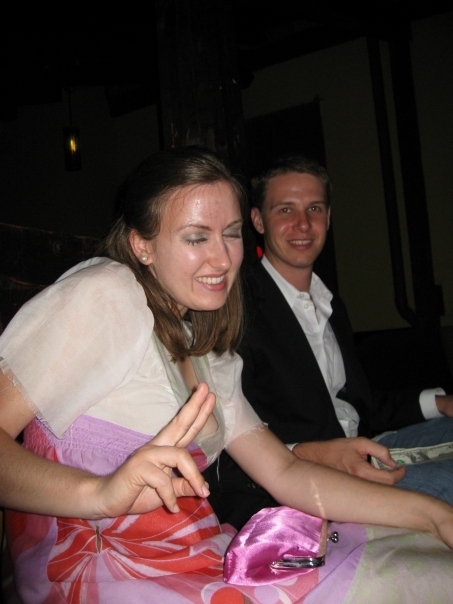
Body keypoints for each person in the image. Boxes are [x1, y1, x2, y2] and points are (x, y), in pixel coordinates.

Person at [1, 147, 453, 604]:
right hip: (100, 572)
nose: (222, 259)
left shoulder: (205, 348)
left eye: (231, 234)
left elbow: (285, 471)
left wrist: (434, 515)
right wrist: (101, 493)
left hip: (200, 556)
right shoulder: (106, 295)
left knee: (423, 560)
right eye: (197, 237)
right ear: (142, 244)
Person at [204, 153, 453, 530]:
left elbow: (358, 405)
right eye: (285, 209)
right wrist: (317, 455)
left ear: (329, 217)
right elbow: (221, 449)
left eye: (314, 208)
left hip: (365, 450)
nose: (303, 223)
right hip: (307, 487)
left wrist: (440, 402)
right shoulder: (233, 308)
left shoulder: (329, 302)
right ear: (257, 220)